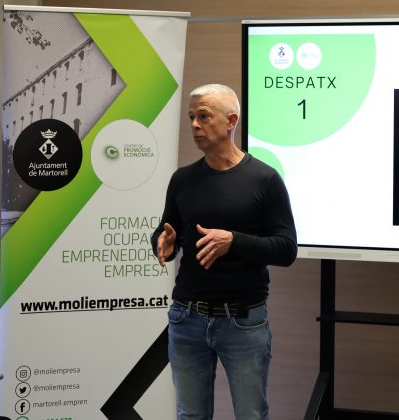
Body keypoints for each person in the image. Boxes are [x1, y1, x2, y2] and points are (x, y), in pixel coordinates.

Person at [151, 83, 297, 420]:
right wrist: (163, 243)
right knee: (190, 415)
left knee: (250, 414)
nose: (194, 125)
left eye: (203, 116)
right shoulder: (182, 180)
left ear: (231, 120)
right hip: (186, 318)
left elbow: (287, 248)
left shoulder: (264, 179)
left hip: (243, 322)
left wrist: (234, 240)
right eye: (191, 117)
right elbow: (169, 232)